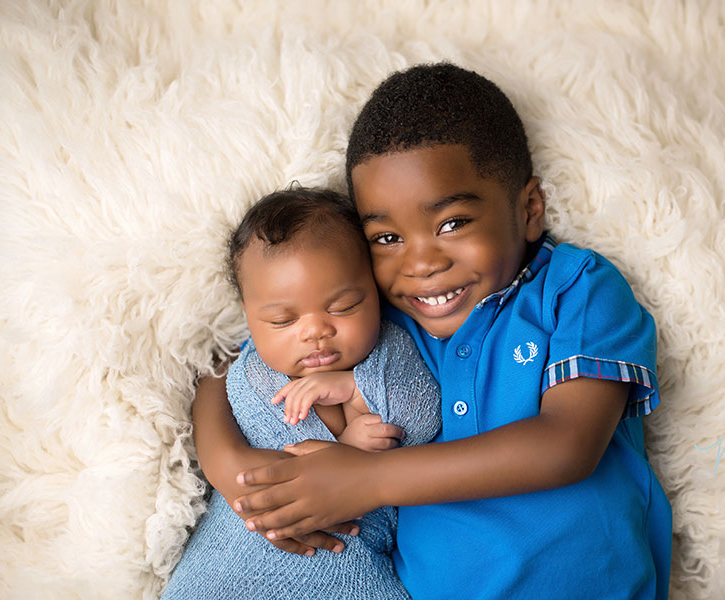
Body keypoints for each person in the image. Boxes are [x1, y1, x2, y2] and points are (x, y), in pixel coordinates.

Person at [194, 63, 672, 599]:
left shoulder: (573, 290)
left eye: (452, 223)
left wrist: (365, 480)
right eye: (387, 237)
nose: (420, 263)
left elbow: (566, 445)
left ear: (530, 209)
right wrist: (237, 472)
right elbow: (229, 363)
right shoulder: (379, 320)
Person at [162, 188, 441, 599]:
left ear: (373, 290)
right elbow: (227, 409)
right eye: (282, 319)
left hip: (346, 563)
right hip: (225, 565)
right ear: (250, 318)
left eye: (343, 306)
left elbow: (422, 416)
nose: (314, 331)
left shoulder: (388, 349)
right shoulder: (251, 371)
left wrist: (354, 387)